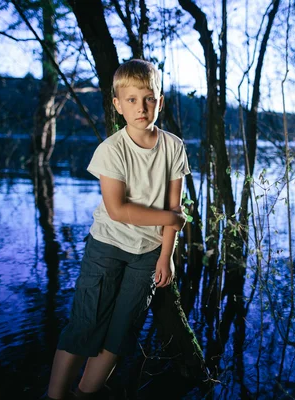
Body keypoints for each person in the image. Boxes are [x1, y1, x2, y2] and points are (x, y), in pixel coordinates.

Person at [45, 59, 190, 400]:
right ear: (117, 105)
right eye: (131, 99)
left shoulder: (173, 147)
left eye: (149, 98)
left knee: (121, 332)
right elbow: (118, 209)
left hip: (149, 253)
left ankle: (84, 393)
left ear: (160, 101)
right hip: (107, 246)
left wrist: (166, 256)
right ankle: (54, 395)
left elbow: (175, 206)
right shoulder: (111, 150)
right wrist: (171, 220)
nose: (141, 107)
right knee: (86, 323)